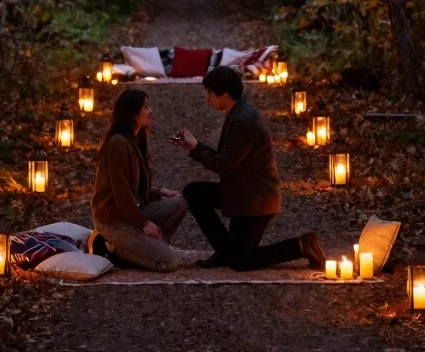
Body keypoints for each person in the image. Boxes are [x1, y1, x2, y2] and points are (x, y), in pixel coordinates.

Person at [175, 66, 325, 271]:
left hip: (255, 201)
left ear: (224, 94)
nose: (207, 98)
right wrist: (195, 146)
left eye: (209, 93)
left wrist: (195, 147)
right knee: (195, 192)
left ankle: (300, 245)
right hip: (240, 192)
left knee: (241, 261)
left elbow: (224, 165)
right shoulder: (238, 112)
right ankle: (225, 251)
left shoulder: (244, 121)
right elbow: (227, 158)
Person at [91, 88, 188, 272]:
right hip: (113, 220)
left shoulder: (136, 139)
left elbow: (134, 185)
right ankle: (112, 247)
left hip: (131, 212)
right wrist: (144, 223)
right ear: (133, 114)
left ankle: (148, 247)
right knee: (168, 263)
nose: (151, 110)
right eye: (146, 107)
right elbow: (121, 191)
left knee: (180, 203)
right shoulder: (117, 143)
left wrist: (158, 192)